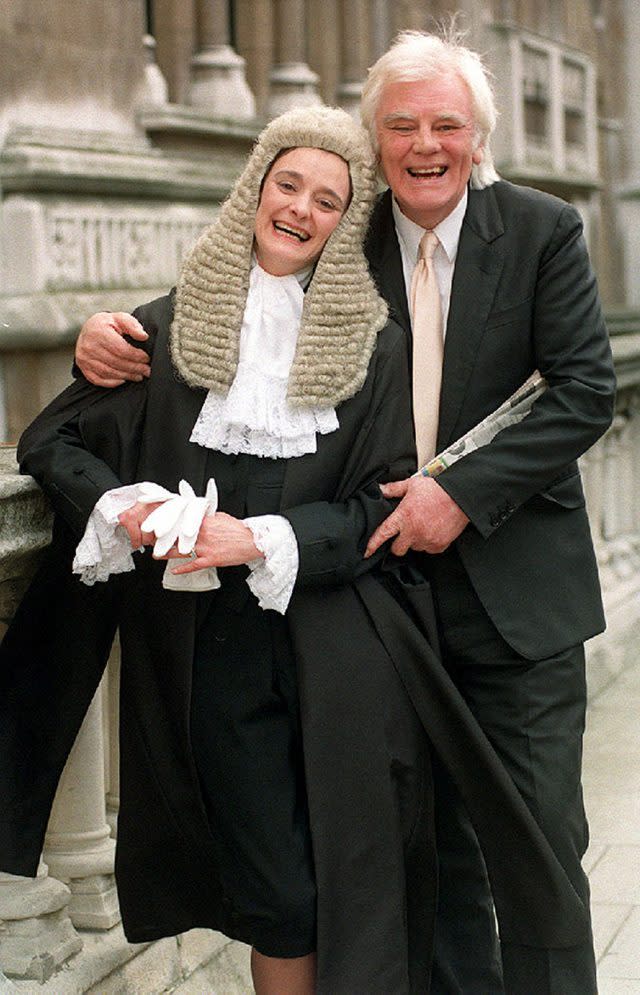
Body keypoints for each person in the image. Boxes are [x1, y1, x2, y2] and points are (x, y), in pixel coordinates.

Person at [76, 30, 617, 995]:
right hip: (376, 604)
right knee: (426, 859)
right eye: (400, 125)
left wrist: (462, 493)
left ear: (478, 138)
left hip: (514, 601)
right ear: (375, 138)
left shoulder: (542, 231)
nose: (425, 144)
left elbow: (582, 389)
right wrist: (104, 336)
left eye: (446, 124)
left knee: (536, 852)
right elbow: (223, 306)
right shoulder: (340, 228)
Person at [0, 106, 433, 995]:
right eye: (288, 185)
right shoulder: (165, 327)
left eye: (327, 199)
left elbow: (375, 509)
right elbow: (49, 441)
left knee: (341, 885)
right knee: (278, 893)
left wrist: (260, 537)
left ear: (345, 223)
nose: (301, 209)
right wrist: (127, 505)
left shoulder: (377, 349)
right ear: (255, 190)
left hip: (329, 652)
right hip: (210, 665)